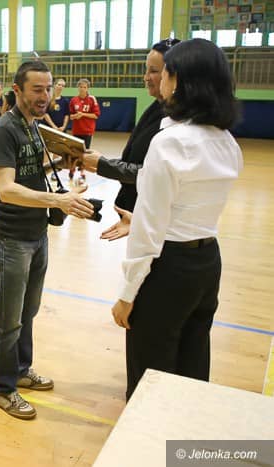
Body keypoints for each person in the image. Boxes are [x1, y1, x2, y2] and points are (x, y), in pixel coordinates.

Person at [110, 38, 242, 401]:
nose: (158, 79)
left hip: (168, 267)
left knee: (149, 374)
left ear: (178, 81)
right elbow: (187, 207)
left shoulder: (170, 142)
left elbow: (150, 232)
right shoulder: (227, 141)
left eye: (164, 72)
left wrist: (127, 294)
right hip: (207, 263)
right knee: (192, 361)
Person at [0, 61, 94, 419]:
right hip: (12, 238)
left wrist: (57, 167)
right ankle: (2, 389)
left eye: (48, 89)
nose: (45, 95)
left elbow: (28, 175)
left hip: (36, 233)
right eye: (37, 89)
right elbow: (7, 188)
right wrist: (58, 201)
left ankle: (20, 370)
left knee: (27, 312)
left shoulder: (33, 126)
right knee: (8, 319)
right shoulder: (3, 130)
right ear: (17, 90)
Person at [81, 39, 181, 240]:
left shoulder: (178, 121)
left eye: (154, 71)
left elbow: (151, 174)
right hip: (143, 218)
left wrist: (103, 165)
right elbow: (139, 162)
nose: (146, 77)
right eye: (146, 70)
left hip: (163, 228)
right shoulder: (158, 108)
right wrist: (101, 162)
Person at [69, 78, 100, 184]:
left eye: (84, 87)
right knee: (74, 152)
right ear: (78, 88)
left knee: (84, 154)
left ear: (88, 88)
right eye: (81, 87)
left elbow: (96, 115)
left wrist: (82, 114)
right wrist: (75, 116)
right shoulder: (74, 100)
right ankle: (72, 169)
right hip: (76, 131)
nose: (82, 89)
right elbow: (71, 116)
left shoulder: (92, 99)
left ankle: (82, 173)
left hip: (87, 131)